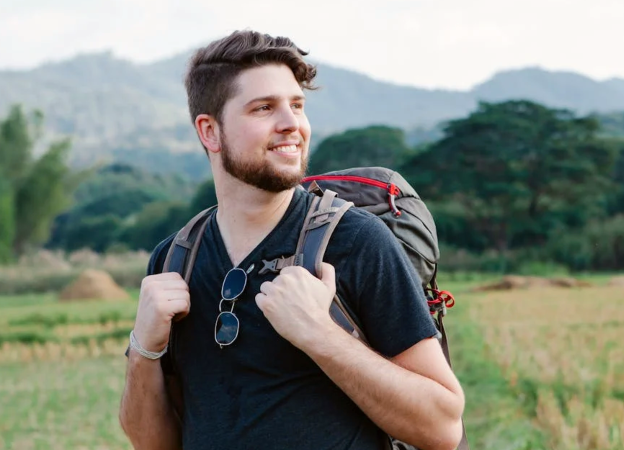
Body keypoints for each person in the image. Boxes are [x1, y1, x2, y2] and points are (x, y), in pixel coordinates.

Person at [118, 30, 466, 450]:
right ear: (210, 132)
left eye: (297, 106)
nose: (291, 124)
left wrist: (320, 334)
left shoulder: (355, 242)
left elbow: (443, 428)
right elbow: (153, 443)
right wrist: (144, 348)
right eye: (264, 108)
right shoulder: (175, 259)